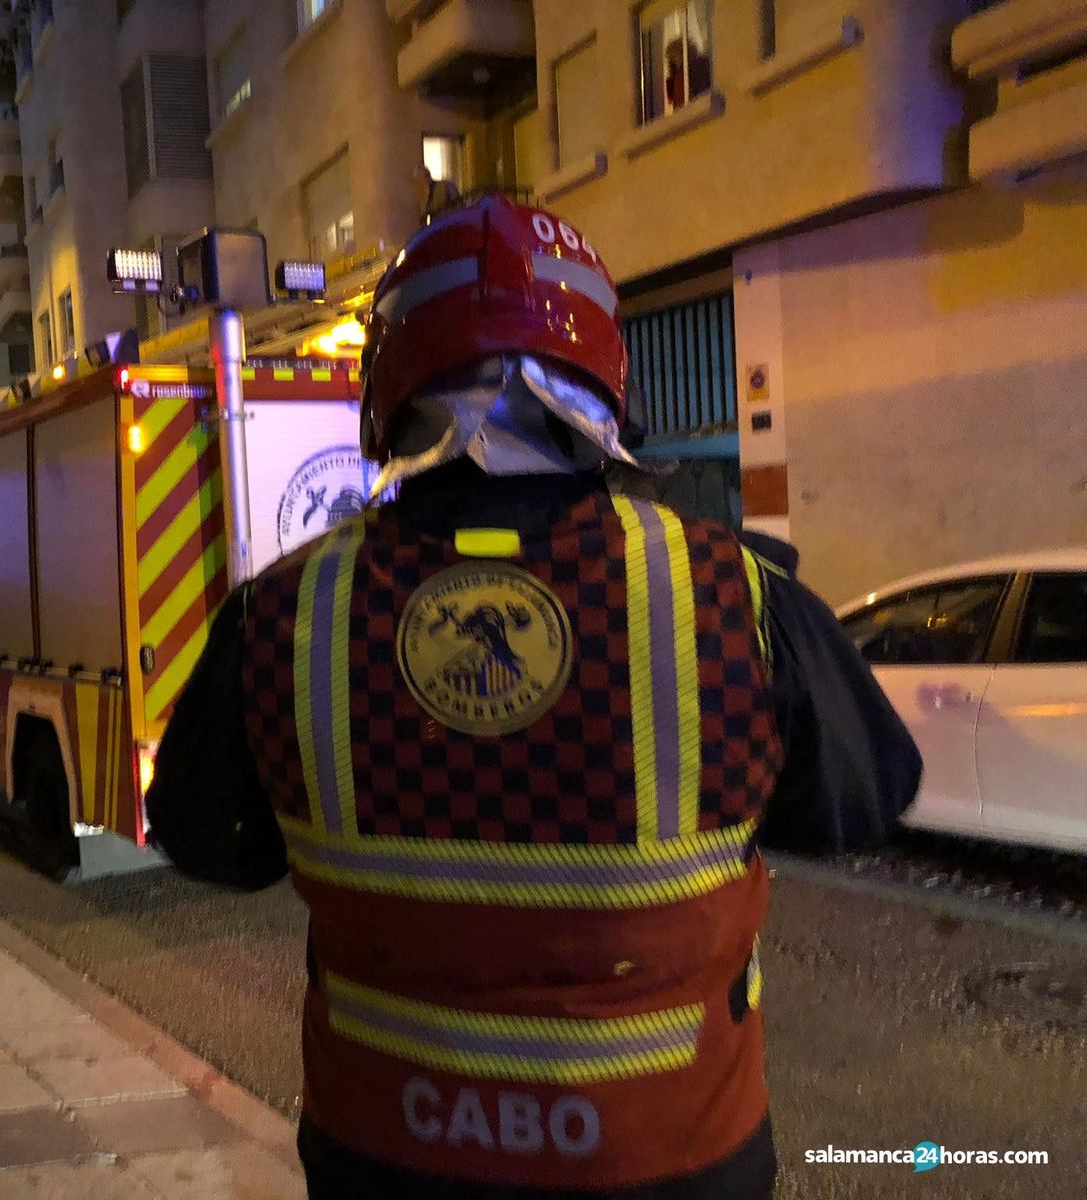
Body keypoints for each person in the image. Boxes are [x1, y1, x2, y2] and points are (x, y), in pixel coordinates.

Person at [146, 194, 921, 1200]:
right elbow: (855, 805)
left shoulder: (284, 615)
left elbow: (208, 841)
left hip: (387, 1152)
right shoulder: (733, 596)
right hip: (670, 1157)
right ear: (600, 377)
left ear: (388, 381)